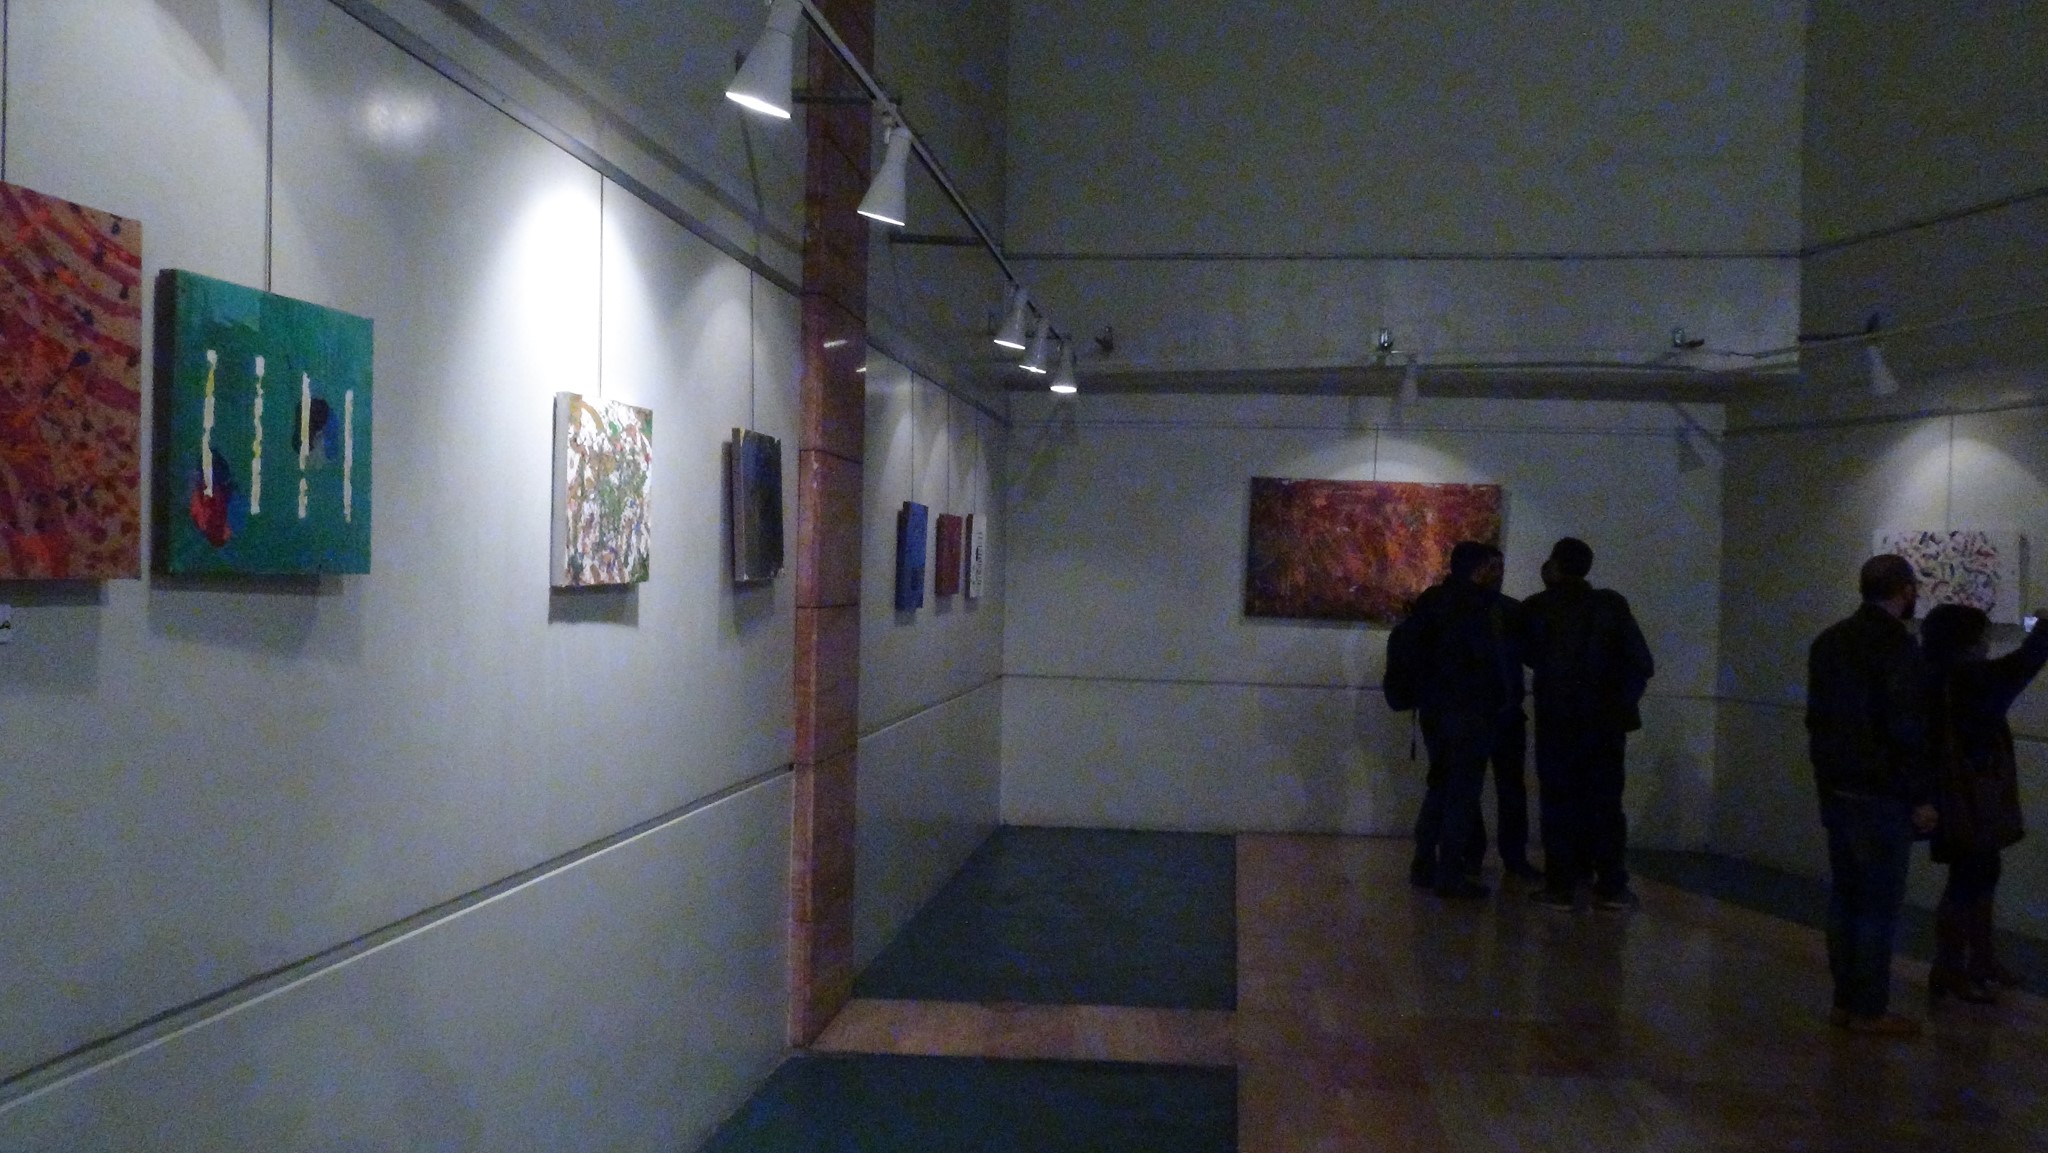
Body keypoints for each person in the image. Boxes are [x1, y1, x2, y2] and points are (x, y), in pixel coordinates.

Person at [1805, 554, 1936, 1037]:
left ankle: (1845, 1001)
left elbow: (1818, 722)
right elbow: (1904, 729)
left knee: (1845, 898)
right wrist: (1920, 796)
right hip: (1881, 794)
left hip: (1838, 788)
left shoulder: (1829, 641)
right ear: (1904, 590)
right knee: (1878, 906)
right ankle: (1869, 1009)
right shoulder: (1898, 647)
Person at [1917, 604, 2047, 1006]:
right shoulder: (1970, 679)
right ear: (1969, 642)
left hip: (1950, 796)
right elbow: (2023, 664)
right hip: (1972, 798)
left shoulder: (1932, 675)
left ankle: (1974, 963)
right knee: (1971, 877)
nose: (1988, 643)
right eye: (1983, 635)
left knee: (1976, 873)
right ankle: (1954, 968)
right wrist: (2045, 628)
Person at [1518, 538, 1654, 911]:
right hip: (1605, 725)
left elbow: (1528, 653)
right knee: (1606, 805)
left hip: (1557, 723)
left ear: (1554, 567)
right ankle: (1611, 885)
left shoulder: (1537, 608)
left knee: (1558, 803)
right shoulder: (1611, 606)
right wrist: (1618, 705)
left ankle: (1560, 885)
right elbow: (1641, 663)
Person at [1400, 540, 1520, 899]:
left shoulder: (1431, 601)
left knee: (1439, 786)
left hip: (1434, 712)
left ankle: (1423, 864)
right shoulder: (1480, 607)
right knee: (1462, 795)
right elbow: (1488, 664)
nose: (1497, 575)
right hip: (1470, 713)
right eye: (1492, 568)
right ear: (1480, 570)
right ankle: (1451, 873)